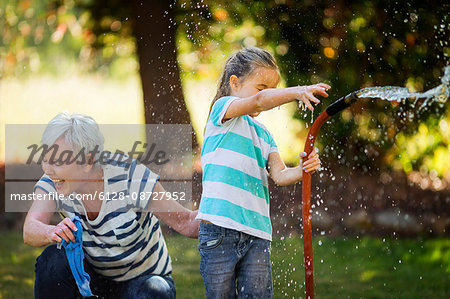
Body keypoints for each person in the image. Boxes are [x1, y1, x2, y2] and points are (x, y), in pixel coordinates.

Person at [196, 47, 328, 298]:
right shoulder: (222, 112)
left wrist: (303, 169)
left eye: (273, 89)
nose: (268, 96)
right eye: (262, 87)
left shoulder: (264, 134)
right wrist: (296, 92)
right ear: (234, 83)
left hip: (257, 233)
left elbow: (280, 175)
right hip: (219, 230)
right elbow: (257, 102)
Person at [23, 112, 199, 299]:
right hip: (93, 282)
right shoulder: (55, 180)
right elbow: (30, 229)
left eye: (58, 161)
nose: (47, 169)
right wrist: (51, 232)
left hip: (142, 282)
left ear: (88, 161)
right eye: (46, 158)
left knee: (155, 290)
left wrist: (227, 210)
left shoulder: (130, 177)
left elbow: (186, 222)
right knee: (53, 259)